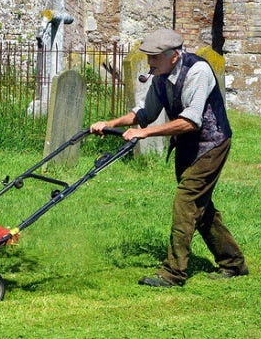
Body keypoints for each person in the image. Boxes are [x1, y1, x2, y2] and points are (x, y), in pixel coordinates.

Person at [90, 28, 248, 287]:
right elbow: (145, 113)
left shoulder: (198, 72)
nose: (150, 62)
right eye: (149, 57)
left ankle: (173, 272)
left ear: (173, 56)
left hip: (212, 143)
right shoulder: (161, 77)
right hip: (186, 144)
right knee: (200, 207)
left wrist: (145, 134)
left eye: (154, 57)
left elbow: (190, 121)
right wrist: (109, 123)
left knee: (186, 202)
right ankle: (233, 263)